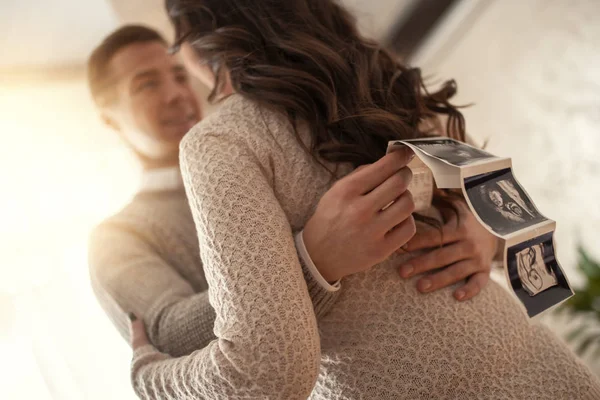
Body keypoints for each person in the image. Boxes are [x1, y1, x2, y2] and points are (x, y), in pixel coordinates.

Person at [126, 0, 600, 398]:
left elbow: (264, 371)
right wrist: (487, 235)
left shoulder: (219, 142)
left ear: (197, 38)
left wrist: (151, 378)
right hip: (554, 376)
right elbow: (514, 214)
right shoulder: (379, 82)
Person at [87, 24, 494, 377]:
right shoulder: (117, 238)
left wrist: (478, 223)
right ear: (107, 117)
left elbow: (468, 178)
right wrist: (312, 258)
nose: (178, 94)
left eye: (178, 74)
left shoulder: (259, 152)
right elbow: (168, 336)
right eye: (147, 84)